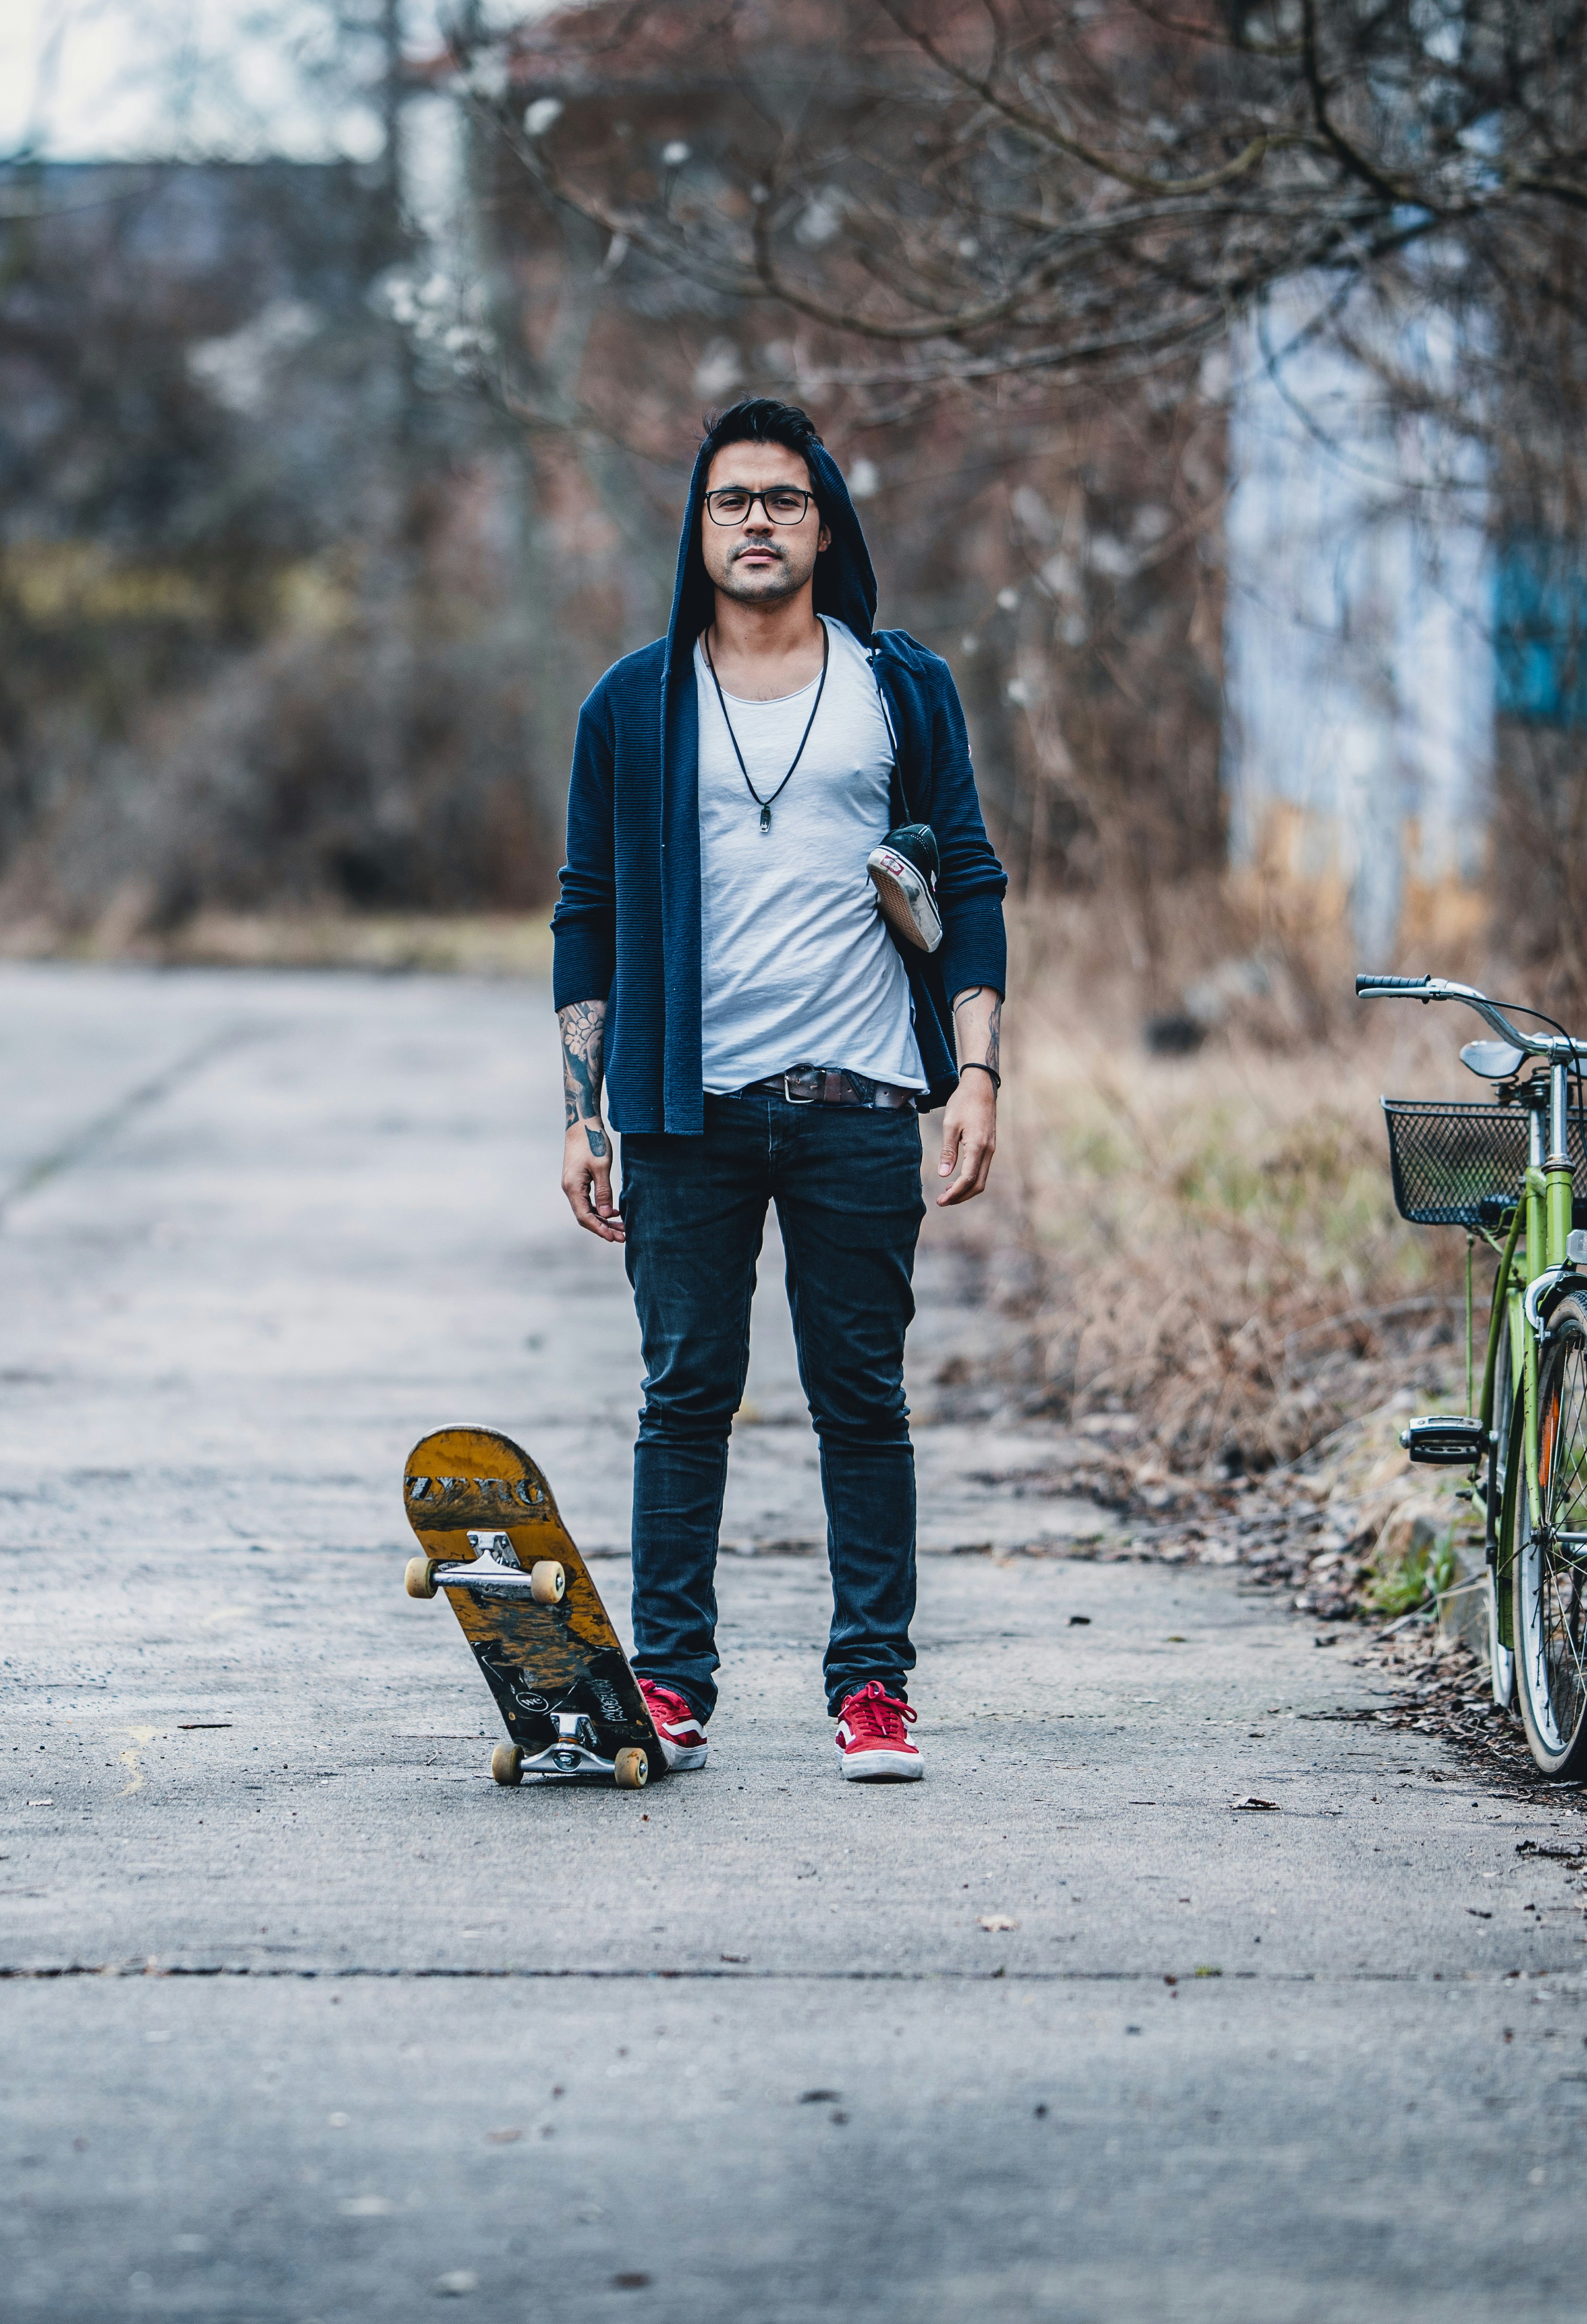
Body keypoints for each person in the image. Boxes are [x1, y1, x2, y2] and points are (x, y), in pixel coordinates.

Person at [550, 396, 1008, 1783]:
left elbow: (970, 882)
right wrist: (582, 1106)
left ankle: (872, 1687)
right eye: (732, 501)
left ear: (824, 526)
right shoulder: (633, 704)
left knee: (860, 1396)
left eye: (784, 501)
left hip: (862, 1097)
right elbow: (585, 909)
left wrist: (977, 1070)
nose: (758, 522)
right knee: (687, 1390)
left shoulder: (901, 689)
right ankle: (669, 1688)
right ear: (699, 530)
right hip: (686, 1110)